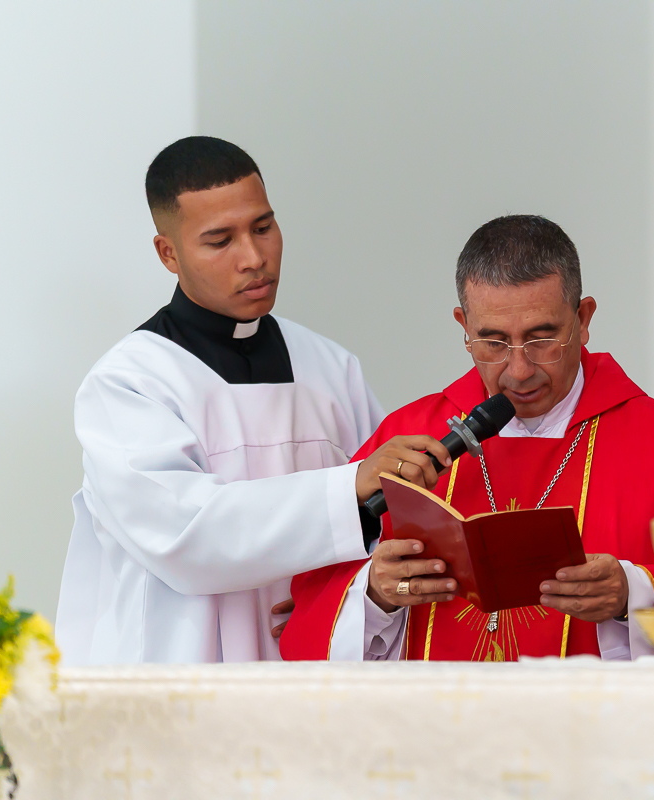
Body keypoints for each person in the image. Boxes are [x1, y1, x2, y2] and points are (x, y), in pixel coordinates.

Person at [278, 215, 654, 661]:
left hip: (595, 741)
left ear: (583, 320)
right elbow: (310, 607)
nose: (518, 369)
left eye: (541, 338)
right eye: (493, 342)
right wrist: (377, 592)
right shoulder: (411, 439)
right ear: (462, 326)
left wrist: (631, 596)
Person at [55, 136, 450, 663]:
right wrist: (347, 486)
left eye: (263, 227)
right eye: (220, 241)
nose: (255, 258)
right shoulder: (130, 384)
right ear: (167, 252)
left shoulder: (329, 368)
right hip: (176, 684)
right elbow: (187, 535)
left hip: (311, 676)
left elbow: (387, 520)